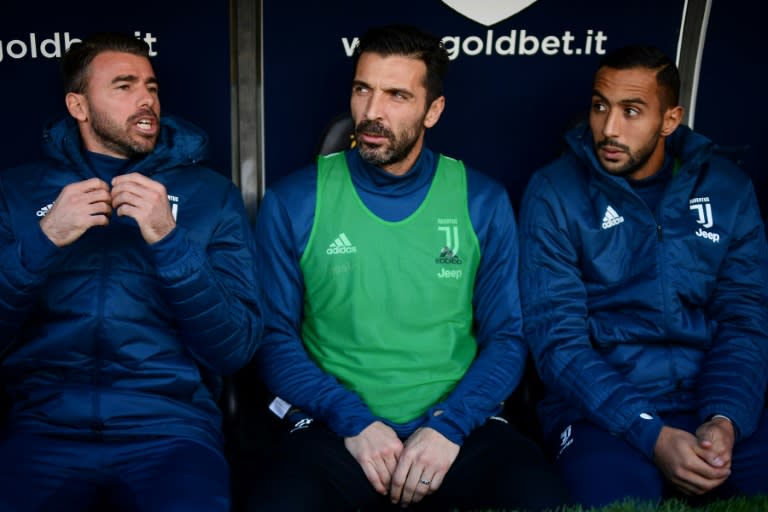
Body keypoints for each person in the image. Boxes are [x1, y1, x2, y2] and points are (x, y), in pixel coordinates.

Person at [248, 24, 569, 512]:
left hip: (456, 426)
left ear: (432, 110)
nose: (372, 112)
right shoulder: (294, 200)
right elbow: (273, 339)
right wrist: (352, 420)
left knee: (538, 498)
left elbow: (507, 336)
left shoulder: (480, 199)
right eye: (363, 90)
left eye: (397, 95)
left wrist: (449, 426)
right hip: (336, 428)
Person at [0, 32, 262, 511]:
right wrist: (44, 238)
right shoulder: (17, 192)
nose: (146, 98)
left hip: (169, 433)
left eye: (152, 86)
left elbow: (235, 348)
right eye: (124, 86)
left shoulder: (210, 195)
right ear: (78, 106)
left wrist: (169, 240)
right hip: (43, 430)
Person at [519, 44, 768, 508]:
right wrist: (649, 431)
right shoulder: (554, 192)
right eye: (599, 107)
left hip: (707, 399)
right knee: (609, 499)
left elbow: (744, 320)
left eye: (631, 111)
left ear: (670, 120)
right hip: (600, 413)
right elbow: (557, 341)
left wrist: (724, 418)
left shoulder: (727, 189)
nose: (609, 128)